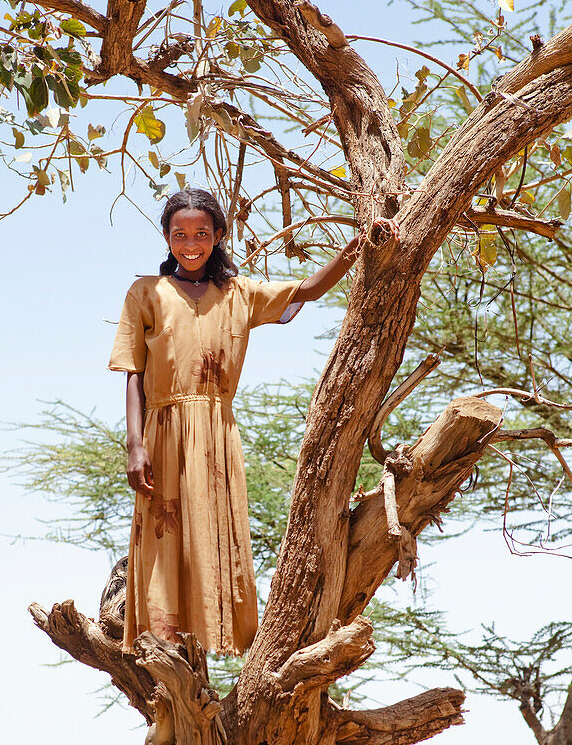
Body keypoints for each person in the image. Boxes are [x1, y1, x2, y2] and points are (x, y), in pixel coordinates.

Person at [109, 188, 398, 655]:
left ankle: (213, 664)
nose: (191, 243)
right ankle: (166, 696)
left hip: (218, 436)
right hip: (161, 434)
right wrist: (134, 444)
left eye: (201, 233)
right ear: (166, 238)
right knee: (164, 552)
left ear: (218, 235)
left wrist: (355, 249)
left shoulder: (238, 292)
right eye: (179, 234)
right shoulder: (145, 293)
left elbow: (304, 290)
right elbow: (133, 374)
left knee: (215, 541)